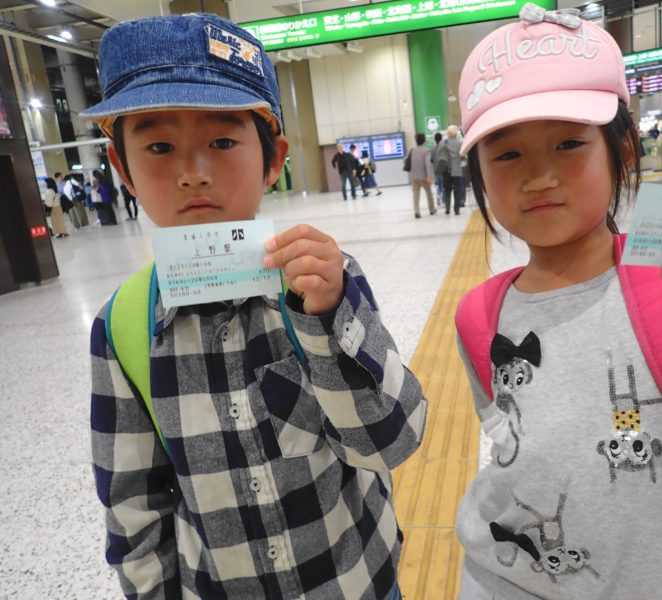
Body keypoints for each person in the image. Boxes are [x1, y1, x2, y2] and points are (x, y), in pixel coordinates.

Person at [453, 8, 662, 600]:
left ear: (623, 152)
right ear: (479, 173)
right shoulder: (479, 314)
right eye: (506, 154)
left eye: (569, 143)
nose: (539, 175)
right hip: (501, 579)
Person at [82, 14, 425, 600]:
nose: (193, 172)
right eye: (159, 146)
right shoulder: (122, 327)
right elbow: (132, 505)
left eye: (222, 141)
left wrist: (327, 318)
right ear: (123, 170)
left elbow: (392, 440)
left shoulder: (323, 285)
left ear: (273, 159)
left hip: (357, 582)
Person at [408, 132, 436, 218]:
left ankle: (417, 212)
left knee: (416, 194)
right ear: (424, 140)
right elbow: (428, 164)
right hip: (424, 177)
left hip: (414, 177)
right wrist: (429, 176)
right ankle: (431, 210)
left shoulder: (412, 150)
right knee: (429, 193)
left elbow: (405, 160)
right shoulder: (426, 151)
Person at [442, 125, 463, 215]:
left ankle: (447, 208)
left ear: (448, 134)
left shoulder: (444, 143)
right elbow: (462, 155)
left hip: (446, 169)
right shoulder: (460, 143)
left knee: (447, 190)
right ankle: (456, 210)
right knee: (457, 190)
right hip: (456, 170)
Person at [431, 131, 444, 206]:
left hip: (435, 170)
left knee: (438, 185)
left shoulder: (432, 150)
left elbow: (431, 160)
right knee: (443, 185)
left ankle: (438, 196)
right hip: (443, 170)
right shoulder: (443, 148)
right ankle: (443, 200)